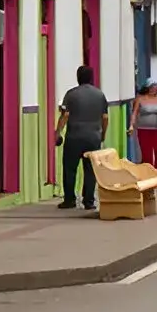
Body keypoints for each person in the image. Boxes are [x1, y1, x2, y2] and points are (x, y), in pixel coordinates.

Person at [56, 65, 109, 211]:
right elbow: (105, 117)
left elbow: (65, 115)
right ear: (91, 78)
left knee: (70, 168)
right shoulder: (99, 95)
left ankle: (69, 199)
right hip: (93, 137)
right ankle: (89, 200)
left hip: (74, 136)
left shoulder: (71, 94)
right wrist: (102, 134)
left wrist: (57, 132)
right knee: (90, 169)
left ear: (78, 77)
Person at [134, 81, 157, 177]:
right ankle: (149, 176)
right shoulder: (140, 99)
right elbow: (134, 113)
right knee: (147, 155)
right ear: (148, 87)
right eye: (153, 87)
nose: (155, 90)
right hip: (143, 130)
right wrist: (131, 125)